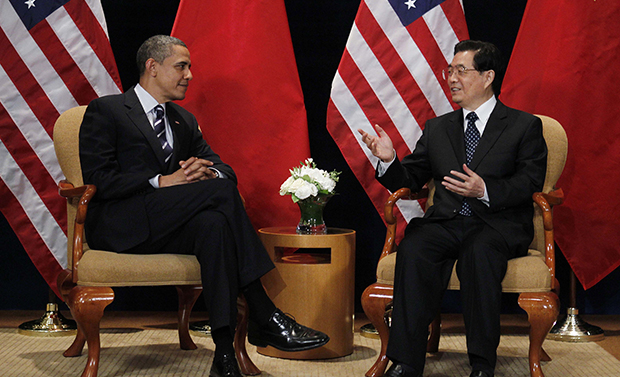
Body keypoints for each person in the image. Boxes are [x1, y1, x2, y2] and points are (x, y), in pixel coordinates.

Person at [79, 35, 329, 377]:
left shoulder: (182, 119)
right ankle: (265, 313)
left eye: (189, 67)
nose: (190, 75)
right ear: (152, 67)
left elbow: (224, 169)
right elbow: (99, 177)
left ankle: (224, 354)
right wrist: (160, 181)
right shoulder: (106, 110)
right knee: (222, 196)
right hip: (122, 223)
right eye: (181, 66)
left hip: (168, 226)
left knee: (215, 225)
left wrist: (207, 170)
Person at [358, 40, 547, 377]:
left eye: (462, 70)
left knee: (479, 253)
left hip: (496, 224)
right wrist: (389, 160)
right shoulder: (438, 128)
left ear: (488, 76)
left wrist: (485, 189)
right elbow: (413, 178)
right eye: (450, 71)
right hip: (446, 222)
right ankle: (405, 362)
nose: (452, 78)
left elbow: (530, 182)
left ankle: (481, 364)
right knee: (414, 248)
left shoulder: (523, 126)